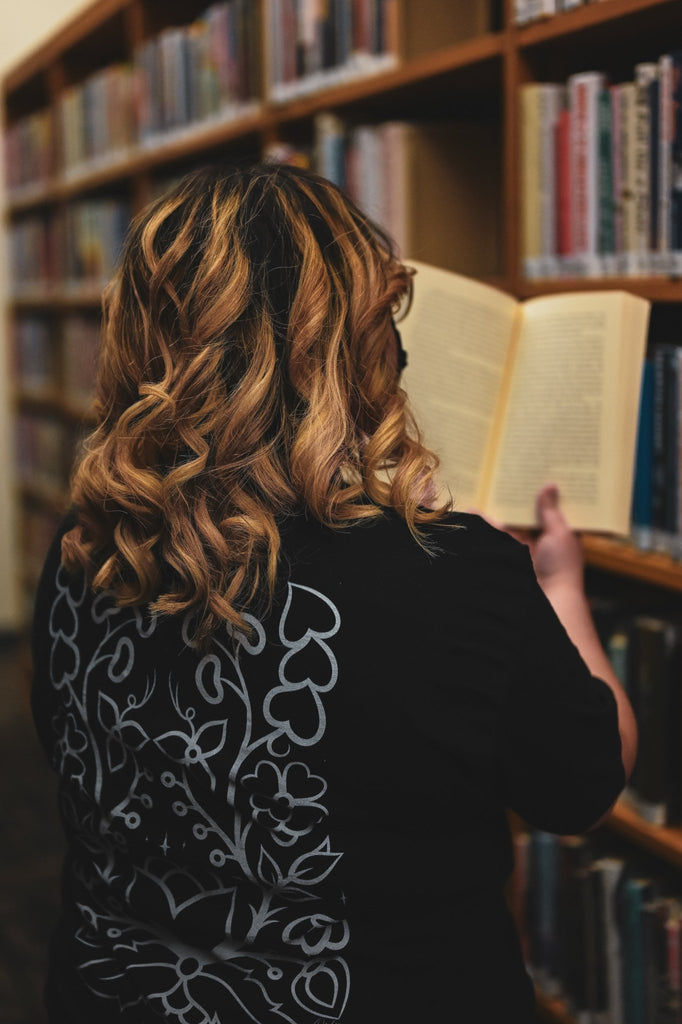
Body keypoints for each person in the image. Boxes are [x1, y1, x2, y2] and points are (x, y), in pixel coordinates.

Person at [30, 162, 636, 1024]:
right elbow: (583, 783)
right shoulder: (450, 575)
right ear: (359, 350)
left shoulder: (86, 550)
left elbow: (71, 760)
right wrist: (559, 587)